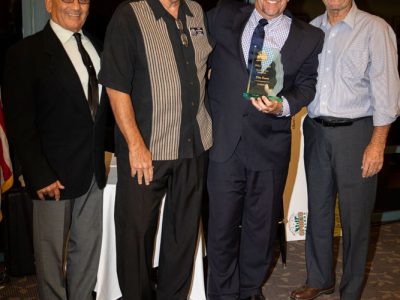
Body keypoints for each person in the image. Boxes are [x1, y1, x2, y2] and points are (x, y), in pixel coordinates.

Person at [206, 0, 324, 299]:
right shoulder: (223, 15)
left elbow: (308, 85)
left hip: (270, 145)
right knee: (221, 227)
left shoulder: (309, 36)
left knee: (261, 229)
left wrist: (282, 105)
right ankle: (222, 294)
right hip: (224, 142)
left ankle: (249, 289)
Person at [98, 0, 213, 299]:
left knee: (183, 236)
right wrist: (135, 144)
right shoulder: (129, 15)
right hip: (147, 151)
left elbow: (205, 69)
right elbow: (115, 84)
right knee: (134, 237)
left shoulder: (196, 12)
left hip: (194, 146)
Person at [290, 1, 400, 300]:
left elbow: (387, 91)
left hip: (357, 134)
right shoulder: (312, 29)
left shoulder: (375, 29)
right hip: (315, 131)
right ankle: (319, 278)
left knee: (355, 218)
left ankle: (350, 291)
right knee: (319, 211)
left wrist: (377, 144)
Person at [1, 0, 110, 299]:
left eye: (84, 0)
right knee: (50, 264)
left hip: (93, 174)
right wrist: (38, 174)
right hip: (53, 177)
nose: (77, 7)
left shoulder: (97, 46)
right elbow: (20, 122)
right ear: (49, 4)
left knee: (87, 253)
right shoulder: (25, 53)